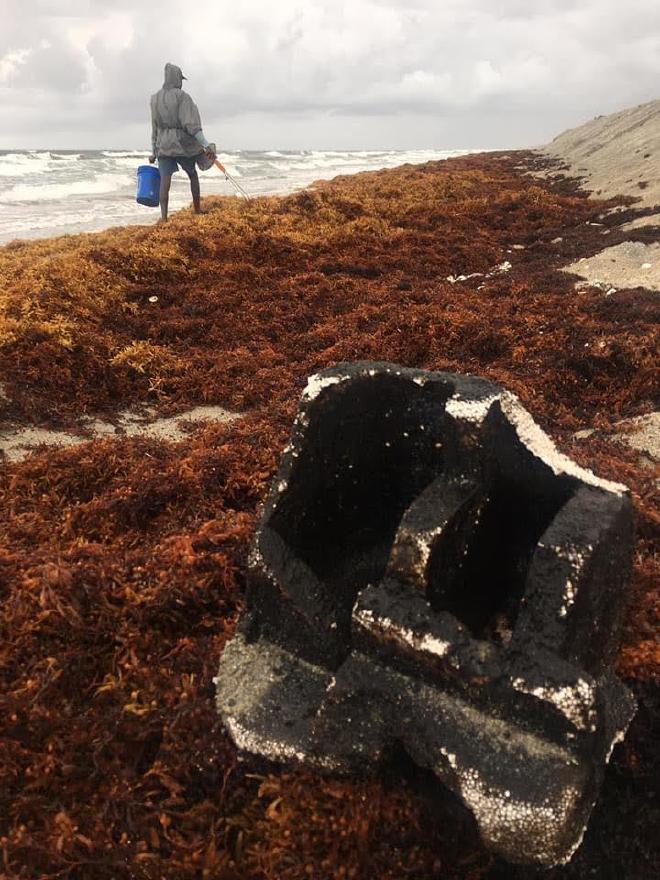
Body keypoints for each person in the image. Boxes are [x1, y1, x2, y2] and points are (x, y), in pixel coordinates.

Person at [149, 63, 216, 222]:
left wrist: (154, 152)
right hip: (182, 144)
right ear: (176, 78)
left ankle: (164, 218)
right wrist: (206, 145)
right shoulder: (182, 97)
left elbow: (155, 128)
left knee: (165, 180)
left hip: (163, 144)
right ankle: (197, 210)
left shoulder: (154, 99)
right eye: (180, 79)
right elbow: (191, 124)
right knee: (192, 174)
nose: (181, 82)